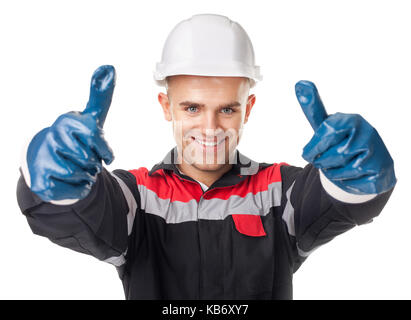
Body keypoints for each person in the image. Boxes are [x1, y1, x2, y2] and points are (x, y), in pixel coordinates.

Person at [16, 14, 396, 299]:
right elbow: (73, 216)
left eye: (227, 110)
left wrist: (358, 174)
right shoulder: (137, 195)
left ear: (248, 108)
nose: (211, 127)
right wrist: (57, 175)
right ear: (167, 106)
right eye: (193, 108)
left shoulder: (282, 192)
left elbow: (341, 201)